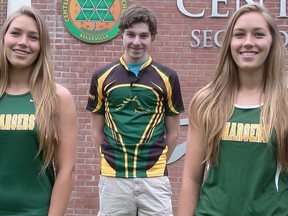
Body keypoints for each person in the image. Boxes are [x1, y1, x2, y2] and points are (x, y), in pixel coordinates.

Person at [177, 3, 288, 216]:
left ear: (272, 42)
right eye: (239, 35)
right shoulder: (207, 101)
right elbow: (191, 179)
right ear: (229, 42)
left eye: (258, 34)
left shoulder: (284, 103)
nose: (248, 42)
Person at [86, 4, 184, 216]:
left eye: (143, 36)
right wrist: (109, 160)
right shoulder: (101, 76)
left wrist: (156, 165)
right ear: (121, 35)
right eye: (130, 34)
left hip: (155, 179)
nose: (136, 42)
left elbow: (174, 133)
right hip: (114, 178)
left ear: (152, 37)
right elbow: (96, 131)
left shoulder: (168, 77)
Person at [0, 6, 77, 215]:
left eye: (33, 37)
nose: (23, 42)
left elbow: (65, 171)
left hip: (36, 211)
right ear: (4, 38)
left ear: (42, 46)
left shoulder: (59, 98)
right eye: (15, 33)